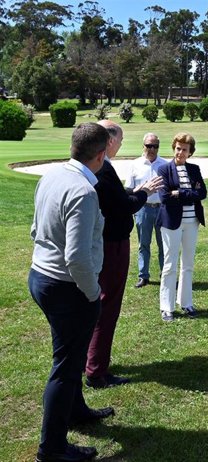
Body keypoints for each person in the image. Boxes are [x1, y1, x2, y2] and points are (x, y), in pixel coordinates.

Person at [28, 123, 115, 462]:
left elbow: (36, 228)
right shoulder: (84, 192)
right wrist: (93, 292)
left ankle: (76, 410)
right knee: (65, 367)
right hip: (67, 287)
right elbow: (77, 258)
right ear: (101, 154)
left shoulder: (51, 176)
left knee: (71, 354)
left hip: (41, 277)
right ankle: (51, 449)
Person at [86, 120, 161, 389]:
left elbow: (119, 194)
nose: (120, 144)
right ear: (109, 141)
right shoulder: (103, 169)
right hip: (112, 245)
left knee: (99, 304)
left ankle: (92, 362)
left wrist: (137, 190)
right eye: (119, 140)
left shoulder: (98, 167)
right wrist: (145, 192)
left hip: (101, 242)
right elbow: (124, 205)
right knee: (108, 305)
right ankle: (96, 371)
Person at [157, 133, 207, 322]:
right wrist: (189, 192)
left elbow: (202, 193)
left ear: (190, 152)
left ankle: (186, 303)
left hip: (191, 221)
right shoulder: (164, 170)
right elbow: (164, 197)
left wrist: (180, 192)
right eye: (178, 148)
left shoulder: (194, 169)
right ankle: (166, 307)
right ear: (174, 148)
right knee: (170, 265)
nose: (180, 152)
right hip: (171, 223)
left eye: (184, 149)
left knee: (188, 264)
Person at [125, 133, 167, 289]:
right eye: (149, 146)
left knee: (164, 244)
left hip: (162, 208)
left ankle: (165, 274)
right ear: (143, 146)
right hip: (143, 209)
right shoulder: (135, 165)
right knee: (144, 244)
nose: (152, 149)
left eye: (155, 146)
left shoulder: (165, 165)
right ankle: (143, 275)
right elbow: (129, 189)